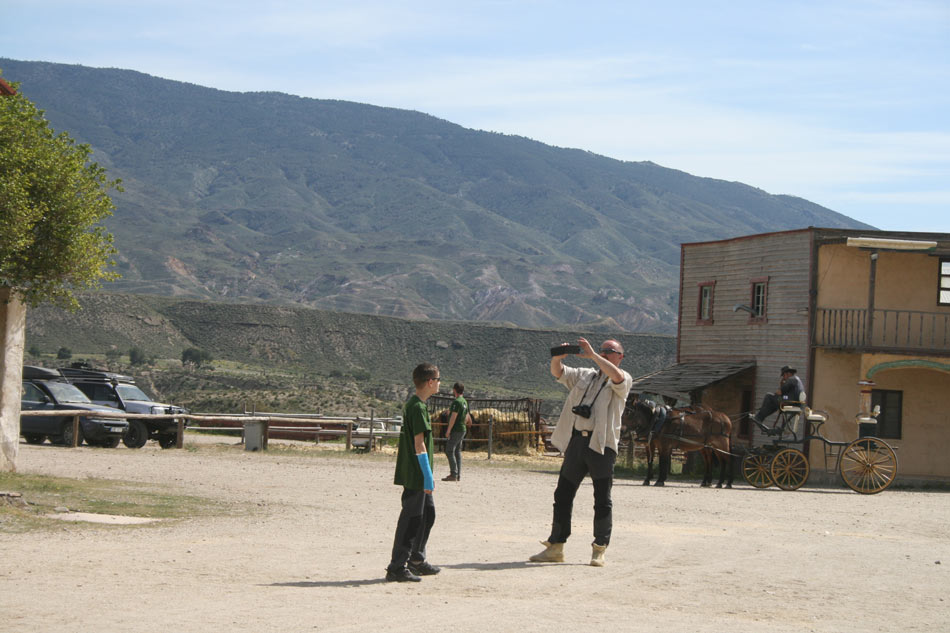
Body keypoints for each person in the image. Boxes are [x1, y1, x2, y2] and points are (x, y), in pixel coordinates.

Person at [530, 337, 633, 567]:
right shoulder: (585, 375)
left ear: (620, 357)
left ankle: (599, 548)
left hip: (601, 445)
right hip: (577, 442)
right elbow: (559, 373)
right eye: (602, 350)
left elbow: (616, 376)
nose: (604, 353)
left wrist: (593, 355)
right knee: (563, 494)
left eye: (610, 351)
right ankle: (556, 546)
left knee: (602, 498)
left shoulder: (624, 378)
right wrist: (557, 357)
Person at [385, 363, 442, 582]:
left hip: (418, 474)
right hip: (416, 474)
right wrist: (427, 475)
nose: (439, 383)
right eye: (438, 379)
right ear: (430, 382)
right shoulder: (417, 407)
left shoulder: (417, 405)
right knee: (411, 520)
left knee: (427, 515)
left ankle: (417, 559)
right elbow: (420, 444)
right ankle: (397, 566)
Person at [751, 366, 806, 432]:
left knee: (768, 396)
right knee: (774, 404)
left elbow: (779, 392)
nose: (783, 378)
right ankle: (760, 417)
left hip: (790, 403)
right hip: (795, 404)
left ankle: (759, 417)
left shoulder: (791, 379)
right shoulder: (796, 379)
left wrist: (781, 384)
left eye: (783, 375)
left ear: (787, 374)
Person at [442, 382, 468, 482]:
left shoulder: (456, 402)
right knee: (457, 451)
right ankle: (458, 474)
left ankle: (453, 474)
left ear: (454, 390)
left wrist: (448, 430)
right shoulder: (464, 401)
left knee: (449, 450)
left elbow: (453, 417)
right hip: (462, 429)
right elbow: (465, 416)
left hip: (456, 430)